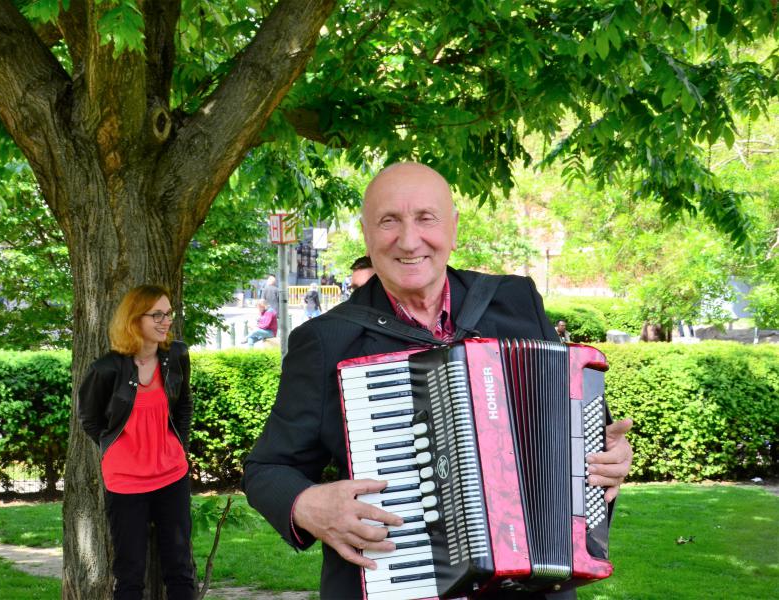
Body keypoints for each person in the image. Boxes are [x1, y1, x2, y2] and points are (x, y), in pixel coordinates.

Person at [243, 162, 634, 600]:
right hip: (397, 580)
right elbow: (266, 470)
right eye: (389, 221)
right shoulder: (325, 341)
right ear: (367, 232)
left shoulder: (516, 301)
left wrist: (610, 459)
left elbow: (582, 436)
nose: (409, 241)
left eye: (425, 218)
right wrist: (305, 504)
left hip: (532, 586)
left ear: (453, 226)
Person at [77, 284, 195, 600]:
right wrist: (116, 451)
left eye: (169, 313)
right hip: (126, 482)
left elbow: (183, 405)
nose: (166, 320)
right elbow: (90, 420)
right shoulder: (106, 369)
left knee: (180, 570)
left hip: (172, 475)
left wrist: (177, 446)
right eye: (157, 314)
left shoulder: (177, 356)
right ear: (134, 319)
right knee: (129, 574)